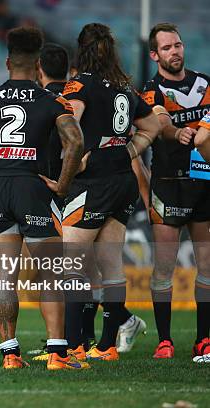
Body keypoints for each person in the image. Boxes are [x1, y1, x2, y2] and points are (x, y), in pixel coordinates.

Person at [0, 26, 87, 370]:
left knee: (5, 277)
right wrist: (63, 184)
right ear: (38, 65)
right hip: (32, 186)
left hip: (0, 188)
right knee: (51, 274)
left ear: (7, 61)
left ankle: (10, 355)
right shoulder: (51, 100)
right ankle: (57, 354)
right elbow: (75, 141)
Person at [59, 23, 160, 361]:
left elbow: (70, 127)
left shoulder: (81, 82)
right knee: (111, 265)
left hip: (93, 183)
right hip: (122, 182)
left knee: (71, 262)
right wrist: (129, 151)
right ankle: (107, 346)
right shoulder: (123, 86)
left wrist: (74, 160)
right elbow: (152, 125)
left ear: (82, 48)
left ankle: (73, 347)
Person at [140, 23, 210, 361]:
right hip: (168, 185)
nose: (175, 51)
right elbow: (160, 122)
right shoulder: (150, 91)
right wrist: (176, 133)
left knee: (207, 266)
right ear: (154, 55)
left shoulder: (206, 84)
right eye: (167, 48)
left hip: (204, 185)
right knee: (163, 268)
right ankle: (164, 340)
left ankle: (204, 340)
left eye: (178, 45)